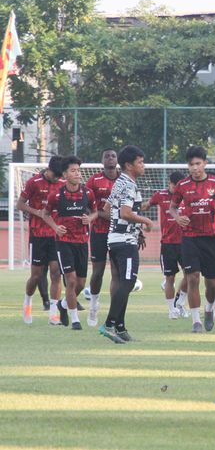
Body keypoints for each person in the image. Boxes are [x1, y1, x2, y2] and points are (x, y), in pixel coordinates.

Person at [99, 146, 153, 343]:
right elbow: (125, 213)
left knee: (123, 282)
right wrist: (145, 222)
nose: (143, 166)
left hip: (115, 239)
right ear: (129, 165)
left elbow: (106, 209)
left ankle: (120, 328)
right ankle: (109, 324)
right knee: (128, 282)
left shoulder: (119, 182)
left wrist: (133, 230)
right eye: (140, 162)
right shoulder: (128, 185)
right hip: (124, 242)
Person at [169, 146, 215, 333]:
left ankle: (209, 310)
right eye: (191, 164)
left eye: (198, 163)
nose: (195, 167)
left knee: (211, 283)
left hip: (211, 238)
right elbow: (173, 207)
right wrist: (178, 217)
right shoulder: (183, 185)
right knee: (192, 278)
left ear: (205, 164)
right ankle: (196, 321)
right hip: (190, 237)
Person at [43, 156, 97, 330]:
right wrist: (55, 227)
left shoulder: (88, 193)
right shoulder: (56, 195)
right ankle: (75, 320)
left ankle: (63, 305)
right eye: (73, 171)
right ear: (65, 174)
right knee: (71, 281)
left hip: (82, 242)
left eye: (78, 171)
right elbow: (45, 214)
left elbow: (96, 212)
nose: (77, 174)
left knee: (81, 283)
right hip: (64, 242)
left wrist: (89, 218)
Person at [18, 155, 65, 324]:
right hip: (37, 235)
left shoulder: (62, 184)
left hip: (55, 234)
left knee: (56, 272)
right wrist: (37, 212)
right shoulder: (34, 182)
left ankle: (53, 313)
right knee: (36, 276)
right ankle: (27, 302)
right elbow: (20, 204)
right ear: (49, 169)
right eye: (56, 175)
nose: (58, 178)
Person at [142, 171, 189, 320]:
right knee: (170, 278)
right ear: (170, 184)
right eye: (176, 186)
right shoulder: (160, 195)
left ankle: (180, 303)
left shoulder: (188, 196)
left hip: (186, 242)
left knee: (191, 275)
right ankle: (171, 310)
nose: (179, 189)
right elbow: (146, 206)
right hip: (168, 244)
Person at [83, 149, 119, 324]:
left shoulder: (125, 179)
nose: (110, 158)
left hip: (118, 232)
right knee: (97, 273)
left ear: (117, 160)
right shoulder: (94, 180)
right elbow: (87, 205)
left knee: (116, 273)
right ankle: (94, 305)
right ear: (102, 160)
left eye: (113, 156)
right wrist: (101, 214)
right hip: (99, 232)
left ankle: (113, 313)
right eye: (106, 156)